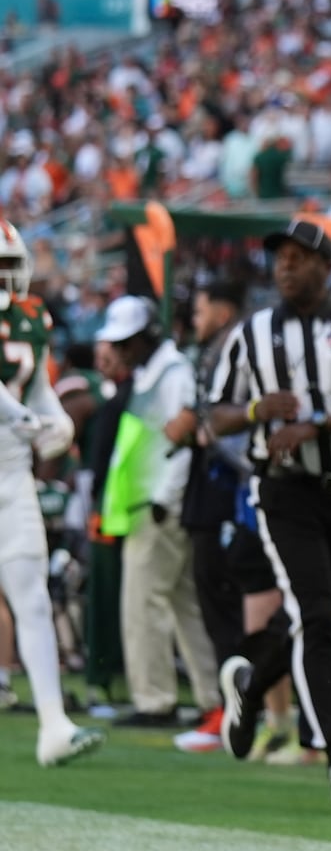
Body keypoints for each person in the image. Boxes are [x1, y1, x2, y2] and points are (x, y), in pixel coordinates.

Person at [207, 218, 331, 809]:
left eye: (300, 256)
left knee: (308, 611)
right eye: (280, 258)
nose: (286, 266)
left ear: (328, 265)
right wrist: (254, 409)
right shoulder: (252, 335)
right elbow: (213, 417)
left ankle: (248, 683)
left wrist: (320, 423)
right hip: (284, 490)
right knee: (316, 614)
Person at [0, 221, 104, 765]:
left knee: (33, 598)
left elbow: (37, 388)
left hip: (11, 476)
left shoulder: (30, 317)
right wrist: (22, 416)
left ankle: (53, 724)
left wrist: (56, 421)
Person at [96, 295, 222, 729]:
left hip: (157, 507)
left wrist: (163, 499)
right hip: (151, 505)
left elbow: (180, 442)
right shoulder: (154, 373)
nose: (121, 350)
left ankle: (155, 699)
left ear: (147, 337)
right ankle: (212, 696)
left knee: (144, 602)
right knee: (183, 602)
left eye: (127, 342)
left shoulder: (171, 373)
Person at [174, 276, 250, 752]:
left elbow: (231, 420)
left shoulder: (235, 350)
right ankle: (231, 708)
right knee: (215, 595)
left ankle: (236, 710)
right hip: (213, 486)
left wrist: (203, 430)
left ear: (221, 314)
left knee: (224, 597)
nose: (195, 323)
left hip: (228, 486)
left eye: (201, 313)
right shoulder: (219, 350)